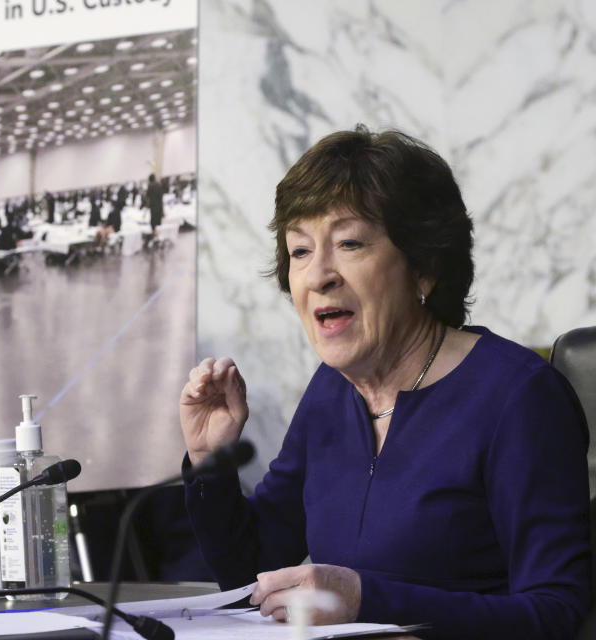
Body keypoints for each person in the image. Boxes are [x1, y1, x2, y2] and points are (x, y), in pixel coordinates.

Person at [178, 128, 591, 639]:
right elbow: (248, 577)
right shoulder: (331, 391)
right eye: (300, 250)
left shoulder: (519, 397)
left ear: (424, 266)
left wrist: (367, 600)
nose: (318, 275)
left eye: (349, 243)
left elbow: (556, 614)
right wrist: (210, 461)